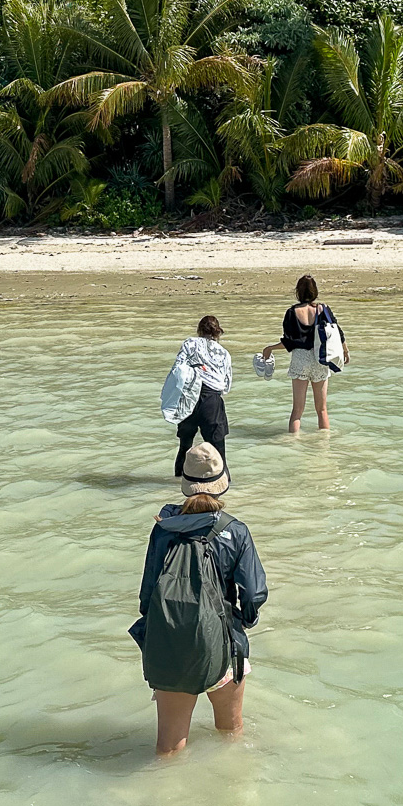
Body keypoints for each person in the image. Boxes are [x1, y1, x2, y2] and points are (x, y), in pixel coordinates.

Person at [134, 442, 267, 757]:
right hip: (222, 646)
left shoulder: (163, 528)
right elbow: (254, 593)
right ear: (222, 483)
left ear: (185, 483)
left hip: (170, 647)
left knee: (168, 748)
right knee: (230, 733)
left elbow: (147, 593)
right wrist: (244, 621)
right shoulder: (235, 532)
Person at [259, 274, 348, 433]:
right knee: (321, 410)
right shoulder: (323, 309)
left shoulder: (291, 312)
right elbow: (337, 332)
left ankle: (293, 444)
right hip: (320, 357)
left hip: (300, 359)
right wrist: (345, 350)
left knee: (297, 411)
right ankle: (324, 446)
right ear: (315, 291)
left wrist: (270, 348)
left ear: (298, 292)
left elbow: (289, 342)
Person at [169, 315, 233, 478]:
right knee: (218, 454)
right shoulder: (224, 354)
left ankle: (179, 484)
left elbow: (178, 369)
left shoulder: (190, 343)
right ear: (218, 333)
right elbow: (226, 386)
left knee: (184, 448)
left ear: (199, 330)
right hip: (211, 401)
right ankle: (224, 488)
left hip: (189, 397)